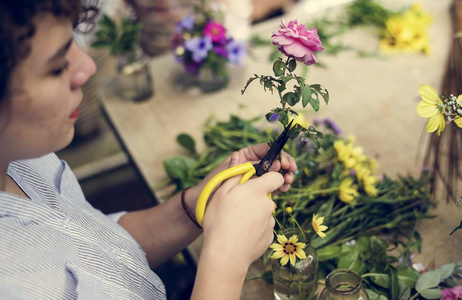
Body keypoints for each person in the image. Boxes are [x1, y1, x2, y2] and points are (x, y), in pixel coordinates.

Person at [0, 0, 297, 299]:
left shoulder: (24, 159)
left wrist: (196, 205)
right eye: (56, 67)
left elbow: (105, 252)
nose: (87, 68)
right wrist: (226, 260)